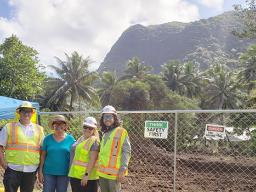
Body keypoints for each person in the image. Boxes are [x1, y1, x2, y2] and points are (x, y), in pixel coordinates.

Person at [0, 101, 44, 192]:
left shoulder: (39, 129)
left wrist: (40, 169)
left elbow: (42, 150)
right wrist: (4, 164)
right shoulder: (8, 127)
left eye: (29, 111)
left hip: (31, 170)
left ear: (33, 113)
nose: (26, 113)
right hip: (12, 168)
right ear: (19, 112)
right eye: (24, 110)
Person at [98, 105, 131, 192]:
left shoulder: (121, 132)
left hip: (114, 175)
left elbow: (126, 152)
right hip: (102, 173)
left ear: (114, 118)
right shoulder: (104, 133)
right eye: (105, 116)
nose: (107, 119)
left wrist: (123, 169)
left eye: (110, 116)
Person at [38, 115, 75, 192]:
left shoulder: (71, 139)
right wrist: (40, 171)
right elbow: (42, 156)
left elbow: (74, 156)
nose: (58, 125)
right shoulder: (47, 139)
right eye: (56, 123)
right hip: (48, 173)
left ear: (65, 126)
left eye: (61, 123)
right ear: (53, 126)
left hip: (64, 173)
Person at [69, 117, 99, 192]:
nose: (87, 130)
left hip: (87, 178)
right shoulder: (81, 138)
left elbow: (93, 159)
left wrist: (86, 176)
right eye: (85, 127)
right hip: (75, 175)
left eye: (90, 128)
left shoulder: (94, 141)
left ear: (94, 130)